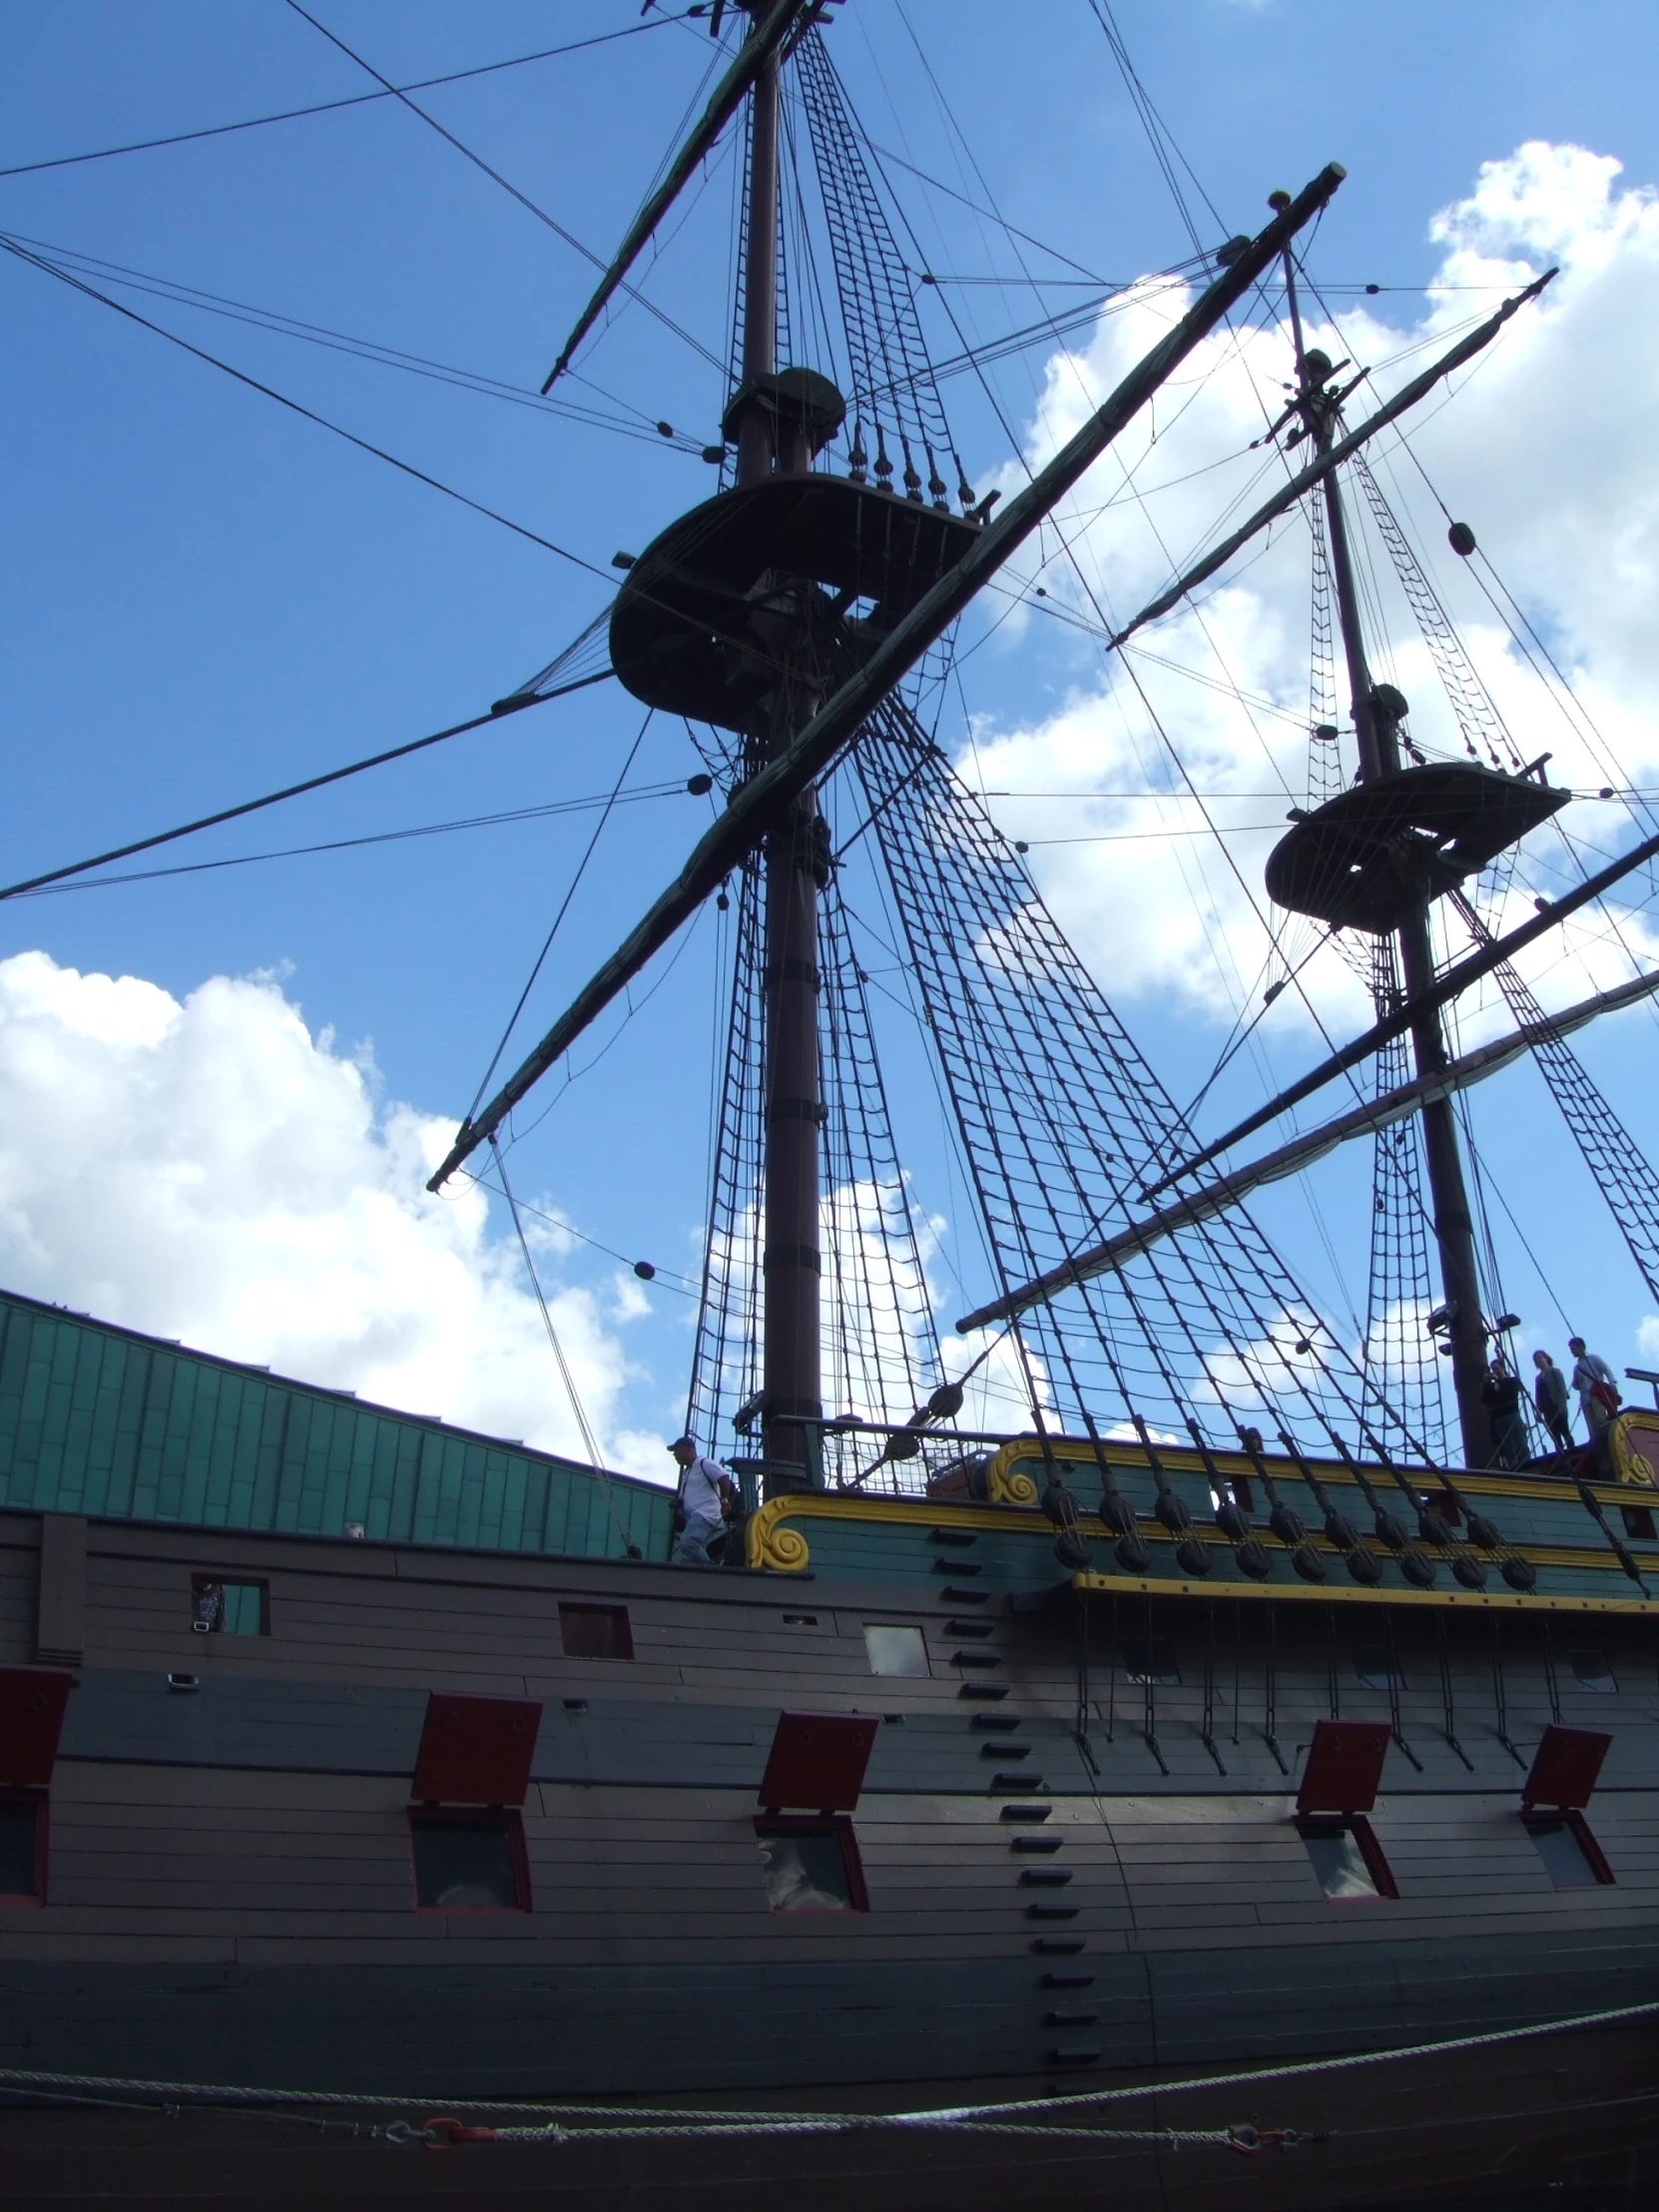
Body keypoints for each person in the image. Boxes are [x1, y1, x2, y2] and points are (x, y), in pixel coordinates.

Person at [669, 1435, 734, 1566]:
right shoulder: (688, 1471)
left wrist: (725, 1501)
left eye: (677, 1451)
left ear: (688, 1449)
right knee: (693, 1555)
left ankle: (710, 1571)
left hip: (704, 1514)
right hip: (694, 1517)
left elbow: (724, 1477)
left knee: (688, 1543)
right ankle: (703, 1572)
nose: (675, 1455)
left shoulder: (704, 1463)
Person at [1481, 1357, 1528, 1470]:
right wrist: (1487, 1384)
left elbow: (1510, 1394)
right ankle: (1512, 1465)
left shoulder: (1512, 1381)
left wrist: (1498, 1381)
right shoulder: (1493, 1386)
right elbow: (1484, 1399)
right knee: (1507, 1444)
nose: (1495, 1371)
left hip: (1511, 1414)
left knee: (1519, 1440)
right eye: (1493, 1369)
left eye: (1497, 1368)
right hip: (1498, 1417)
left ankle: (1526, 1462)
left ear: (1502, 1368)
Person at [1568, 1338, 1620, 1436]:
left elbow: (1607, 1370)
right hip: (1585, 1399)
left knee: (1601, 1420)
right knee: (1591, 1427)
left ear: (1580, 1347)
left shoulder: (1593, 1359)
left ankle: (1605, 1440)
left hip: (1596, 1395)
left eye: (1573, 1349)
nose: (1572, 1352)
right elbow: (1576, 1386)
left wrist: (1612, 1383)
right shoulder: (1577, 1367)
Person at [1531, 1350, 1574, 1453]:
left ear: (1546, 1358)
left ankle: (1572, 1450)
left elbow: (1562, 1389)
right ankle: (1560, 1454)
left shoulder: (1555, 1371)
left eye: (1540, 1358)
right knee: (1554, 1435)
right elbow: (1538, 1395)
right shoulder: (1538, 1378)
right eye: (1536, 1359)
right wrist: (1538, 1411)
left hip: (1557, 1406)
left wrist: (1562, 1406)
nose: (1539, 1360)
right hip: (1547, 1409)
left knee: (1564, 1430)